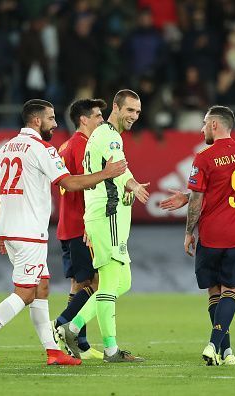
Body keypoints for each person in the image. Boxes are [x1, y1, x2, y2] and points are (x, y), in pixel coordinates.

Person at [0, 99, 127, 368]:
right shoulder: (42, 149)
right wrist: (105, 173)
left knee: (41, 288)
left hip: (11, 229)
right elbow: (69, 182)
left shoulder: (6, 148)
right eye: (51, 118)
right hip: (29, 231)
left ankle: (52, 351)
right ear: (37, 121)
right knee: (27, 291)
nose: (55, 123)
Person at [57, 89, 150, 363]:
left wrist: (130, 184)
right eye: (130, 110)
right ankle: (111, 349)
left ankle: (71, 326)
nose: (134, 116)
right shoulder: (108, 135)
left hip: (108, 218)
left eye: (138, 112)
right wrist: (131, 184)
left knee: (123, 282)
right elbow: (117, 169)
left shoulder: (107, 136)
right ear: (117, 108)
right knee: (109, 282)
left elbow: (119, 168)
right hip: (107, 217)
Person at [185, 105, 235, 366]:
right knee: (230, 291)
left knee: (214, 292)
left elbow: (196, 199)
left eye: (204, 123)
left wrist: (189, 232)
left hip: (212, 235)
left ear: (215, 125)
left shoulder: (203, 158)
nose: (202, 128)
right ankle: (219, 347)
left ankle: (221, 348)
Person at [51, 98, 107, 360]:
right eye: (97, 116)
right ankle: (61, 324)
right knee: (95, 284)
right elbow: (90, 186)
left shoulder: (65, 145)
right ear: (83, 119)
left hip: (67, 224)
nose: (102, 120)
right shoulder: (83, 146)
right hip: (82, 225)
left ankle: (80, 343)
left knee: (78, 283)